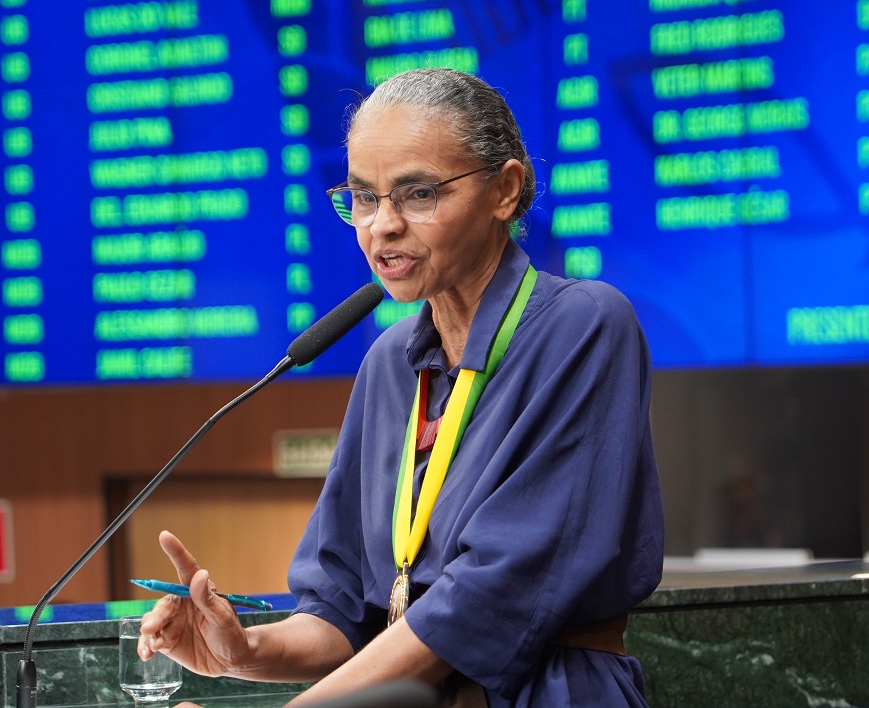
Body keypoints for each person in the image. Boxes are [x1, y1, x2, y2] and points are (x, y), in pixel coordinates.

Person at [137, 68, 665, 707]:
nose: (379, 227)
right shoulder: (391, 363)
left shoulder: (583, 325)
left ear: (505, 188)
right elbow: (344, 610)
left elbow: (488, 597)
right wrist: (245, 652)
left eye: (417, 194)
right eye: (362, 197)